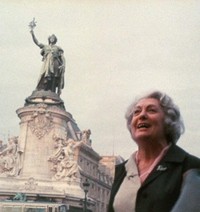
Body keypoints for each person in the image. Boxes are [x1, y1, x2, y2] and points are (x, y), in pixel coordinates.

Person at [108, 91, 200, 212]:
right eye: (137, 112)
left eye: (151, 110)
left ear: (168, 121)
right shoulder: (121, 170)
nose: (142, 115)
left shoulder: (190, 166)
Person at [29, 19, 65, 96]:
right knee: (43, 74)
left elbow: (62, 57)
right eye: (51, 38)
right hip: (46, 64)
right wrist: (32, 33)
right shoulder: (45, 47)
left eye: (53, 38)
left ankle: (51, 91)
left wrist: (63, 65)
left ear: (55, 40)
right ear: (49, 39)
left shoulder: (58, 48)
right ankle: (41, 89)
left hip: (55, 63)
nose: (52, 39)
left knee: (54, 77)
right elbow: (37, 42)